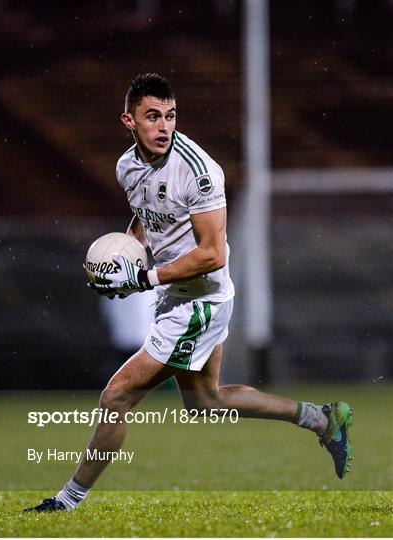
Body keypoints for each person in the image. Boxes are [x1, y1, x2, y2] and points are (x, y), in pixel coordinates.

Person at [25, 73, 353, 512]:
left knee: (117, 395)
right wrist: (126, 261)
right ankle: (322, 419)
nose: (164, 126)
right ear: (129, 120)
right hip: (173, 293)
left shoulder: (199, 172)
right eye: (153, 117)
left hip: (200, 299)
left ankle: (67, 501)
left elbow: (213, 254)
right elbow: (145, 220)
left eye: (171, 116)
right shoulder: (127, 166)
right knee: (206, 402)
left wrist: (145, 279)